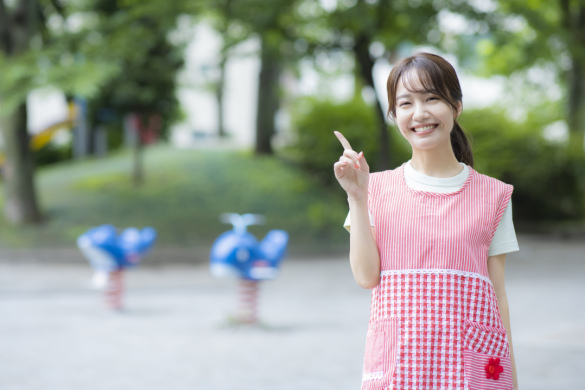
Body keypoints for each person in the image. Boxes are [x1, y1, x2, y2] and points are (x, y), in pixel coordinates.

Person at [333, 52, 519, 390]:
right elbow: (365, 276)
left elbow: (499, 292)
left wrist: (510, 379)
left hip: (470, 372)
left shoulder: (494, 196)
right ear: (394, 114)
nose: (420, 114)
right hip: (400, 368)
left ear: (456, 105)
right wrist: (357, 197)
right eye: (406, 103)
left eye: (432, 98)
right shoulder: (374, 189)